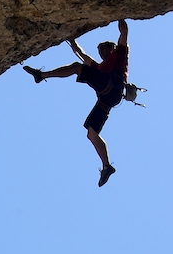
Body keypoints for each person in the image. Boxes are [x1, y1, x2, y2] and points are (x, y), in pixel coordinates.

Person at [23, 20, 129, 187]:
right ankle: (107, 166)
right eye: (99, 51)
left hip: (112, 85)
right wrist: (71, 40)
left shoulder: (119, 54)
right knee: (91, 133)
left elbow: (124, 33)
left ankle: (41, 76)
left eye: (102, 50)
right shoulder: (99, 67)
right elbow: (82, 55)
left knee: (77, 68)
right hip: (107, 97)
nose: (101, 53)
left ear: (111, 48)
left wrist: (121, 15)